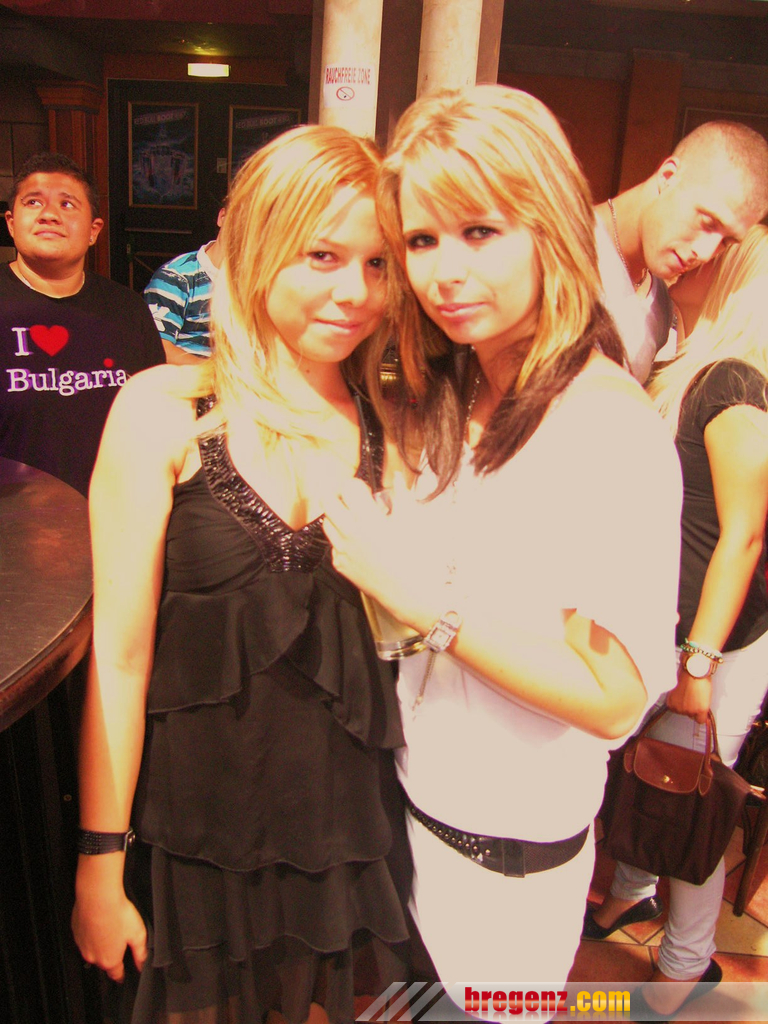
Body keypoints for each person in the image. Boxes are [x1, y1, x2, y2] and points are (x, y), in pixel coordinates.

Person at [321, 85, 682, 1004]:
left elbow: (613, 699)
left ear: (548, 228)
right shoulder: (455, 392)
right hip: (407, 825)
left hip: (502, 871)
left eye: (479, 232)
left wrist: (425, 605)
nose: (445, 272)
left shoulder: (605, 425)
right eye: (421, 240)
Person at [71, 124, 412, 1024]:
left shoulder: (396, 424)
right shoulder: (164, 408)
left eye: (378, 265)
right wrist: (99, 861)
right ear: (258, 248)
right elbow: (120, 660)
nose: (355, 292)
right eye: (323, 255)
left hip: (348, 841)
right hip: (190, 842)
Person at [584, 224, 768, 1020]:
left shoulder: (732, 381)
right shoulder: (687, 362)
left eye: (718, 253)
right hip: (681, 629)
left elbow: (744, 535)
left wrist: (699, 665)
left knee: (691, 797)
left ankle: (685, 966)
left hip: (716, 642)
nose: (693, 257)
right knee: (652, 772)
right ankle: (628, 894)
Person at [0, 152, 164, 495]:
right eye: (33, 202)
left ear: (93, 231)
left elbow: (155, 420)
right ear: (11, 223)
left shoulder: (127, 310)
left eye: (67, 204)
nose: (49, 214)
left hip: (112, 513)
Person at [595, 121, 768, 383]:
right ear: (668, 177)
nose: (706, 253)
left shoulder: (660, 303)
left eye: (726, 241)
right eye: (707, 223)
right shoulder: (562, 247)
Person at [144, 204, 226, 364]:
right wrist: (215, 375)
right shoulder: (175, 277)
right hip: (192, 377)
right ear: (222, 217)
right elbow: (159, 348)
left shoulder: (262, 281)